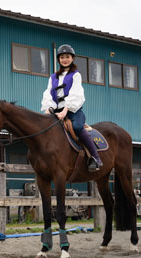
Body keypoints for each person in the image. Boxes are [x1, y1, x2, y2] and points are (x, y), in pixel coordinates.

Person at [41, 44, 103, 172]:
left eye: (67, 57)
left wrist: (65, 110)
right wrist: (48, 109)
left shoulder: (76, 75)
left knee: (77, 127)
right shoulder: (53, 77)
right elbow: (49, 93)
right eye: (62, 57)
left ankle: (95, 158)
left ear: (72, 58)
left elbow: (76, 93)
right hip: (56, 111)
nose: (65, 59)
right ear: (59, 59)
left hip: (73, 111)